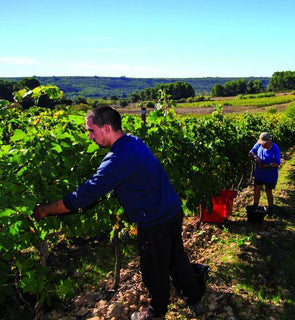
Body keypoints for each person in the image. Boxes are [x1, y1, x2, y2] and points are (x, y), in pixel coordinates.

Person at [33, 106, 204, 320]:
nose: (89, 136)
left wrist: (47, 209)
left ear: (106, 128)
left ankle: (156, 313)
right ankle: (194, 300)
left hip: (154, 221)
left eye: (91, 131)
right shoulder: (134, 141)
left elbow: (84, 195)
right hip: (171, 210)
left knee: (154, 271)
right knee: (176, 258)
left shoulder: (117, 159)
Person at [248, 132, 281, 212]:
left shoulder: (275, 149)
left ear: (269, 141)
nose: (262, 145)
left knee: (268, 191)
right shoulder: (259, 144)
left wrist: (267, 166)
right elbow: (251, 152)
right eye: (261, 143)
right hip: (259, 173)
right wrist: (255, 157)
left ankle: (271, 208)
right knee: (256, 189)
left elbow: (277, 163)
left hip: (270, 175)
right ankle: (255, 205)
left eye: (264, 143)